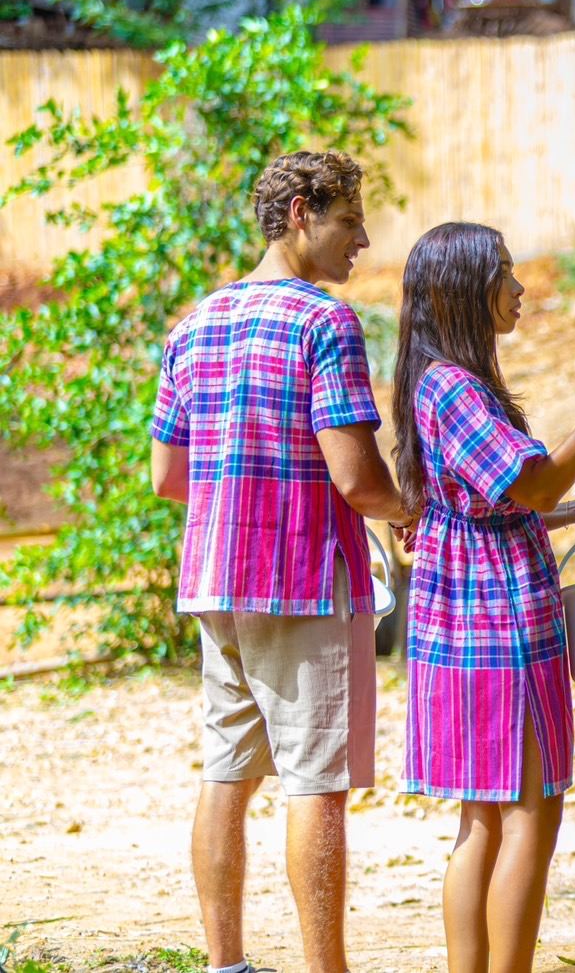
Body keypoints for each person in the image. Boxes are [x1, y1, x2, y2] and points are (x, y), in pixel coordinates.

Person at [150, 150, 415, 973]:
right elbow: (355, 476)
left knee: (227, 772)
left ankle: (224, 964)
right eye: (349, 219)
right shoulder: (321, 321)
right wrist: (411, 509)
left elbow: (166, 477)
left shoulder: (193, 323)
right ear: (302, 212)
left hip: (214, 579)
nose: (363, 239)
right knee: (316, 781)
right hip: (300, 577)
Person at [392, 221, 575, 973]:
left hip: (456, 616)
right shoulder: (458, 388)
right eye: (504, 273)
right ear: (465, 291)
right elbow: (532, 481)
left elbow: (496, 498)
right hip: (497, 618)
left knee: (481, 818)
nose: (518, 289)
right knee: (528, 813)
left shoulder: (433, 382)